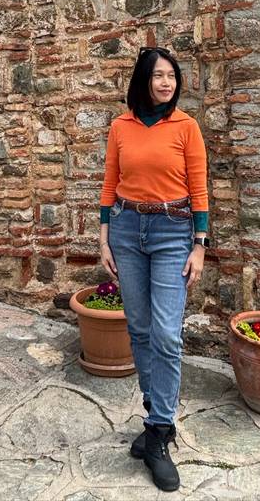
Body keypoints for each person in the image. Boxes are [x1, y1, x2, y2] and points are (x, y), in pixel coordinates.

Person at [99, 46, 209, 492]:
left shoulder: (186, 127)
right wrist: (104, 234)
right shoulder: (120, 126)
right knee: (140, 329)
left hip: (172, 231)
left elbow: (199, 189)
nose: (166, 83)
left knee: (166, 333)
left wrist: (200, 245)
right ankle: (155, 414)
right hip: (126, 229)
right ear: (142, 80)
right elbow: (110, 181)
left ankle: (160, 433)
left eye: (171, 76)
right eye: (158, 75)